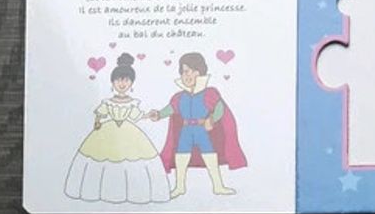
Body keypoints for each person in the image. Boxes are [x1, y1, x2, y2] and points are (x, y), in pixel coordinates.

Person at [65, 53, 170, 204]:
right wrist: (97, 122)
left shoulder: (132, 103)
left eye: (126, 80)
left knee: (134, 158)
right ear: (113, 82)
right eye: (118, 80)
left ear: (131, 83)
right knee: (100, 156)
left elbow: (137, 116)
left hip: (129, 133)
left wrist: (150, 115)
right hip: (107, 132)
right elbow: (100, 113)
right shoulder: (108, 102)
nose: (122, 83)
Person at [149, 51, 246, 199]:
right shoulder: (179, 97)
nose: (186, 75)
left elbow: (219, 108)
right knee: (181, 157)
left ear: (199, 72)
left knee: (210, 155)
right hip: (186, 131)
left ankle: (218, 186)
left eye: (189, 71)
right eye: (183, 72)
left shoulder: (209, 93)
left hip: (201, 130)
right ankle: (179, 187)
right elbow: (171, 109)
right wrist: (159, 114)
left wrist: (212, 119)